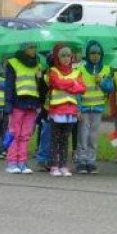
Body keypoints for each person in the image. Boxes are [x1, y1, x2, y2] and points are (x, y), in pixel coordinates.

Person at [44, 43, 86, 176]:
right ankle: (54, 165)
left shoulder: (76, 71)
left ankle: (63, 165)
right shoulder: (53, 71)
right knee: (55, 139)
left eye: (69, 55)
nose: (66, 58)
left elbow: (82, 88)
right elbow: (56, 83)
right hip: (57, 110)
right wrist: (73, 83)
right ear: (57, 56)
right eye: (63, 55)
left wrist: (69, 85)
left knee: (64, 139)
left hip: (70, 111)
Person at [4, 42, 44, 174]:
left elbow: (39, 86)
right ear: (24, 48)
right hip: (17, 102)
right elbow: (9, 85)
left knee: (26, 135)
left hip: (32, 103)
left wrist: (40, 78)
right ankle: (12, 162)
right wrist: (8, 104)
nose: (33, 50)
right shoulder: (13, 63)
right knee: (15, 133)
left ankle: (22, 161)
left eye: (35, 47)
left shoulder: (37, 64)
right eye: (31, 47)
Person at [75, 41, 113, 174]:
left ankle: (91, 161)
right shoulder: (81, 69)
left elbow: (110, 88)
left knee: (93, 136)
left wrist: (101, 82)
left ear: (101, 55)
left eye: (98, 53)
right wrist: (78, 107)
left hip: (97, 108)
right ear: (87, 55)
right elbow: (77, 91)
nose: (95, 56)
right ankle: (81, 160)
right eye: (92, 53)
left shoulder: (106, 69)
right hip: (85, 108)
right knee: (83, 135)